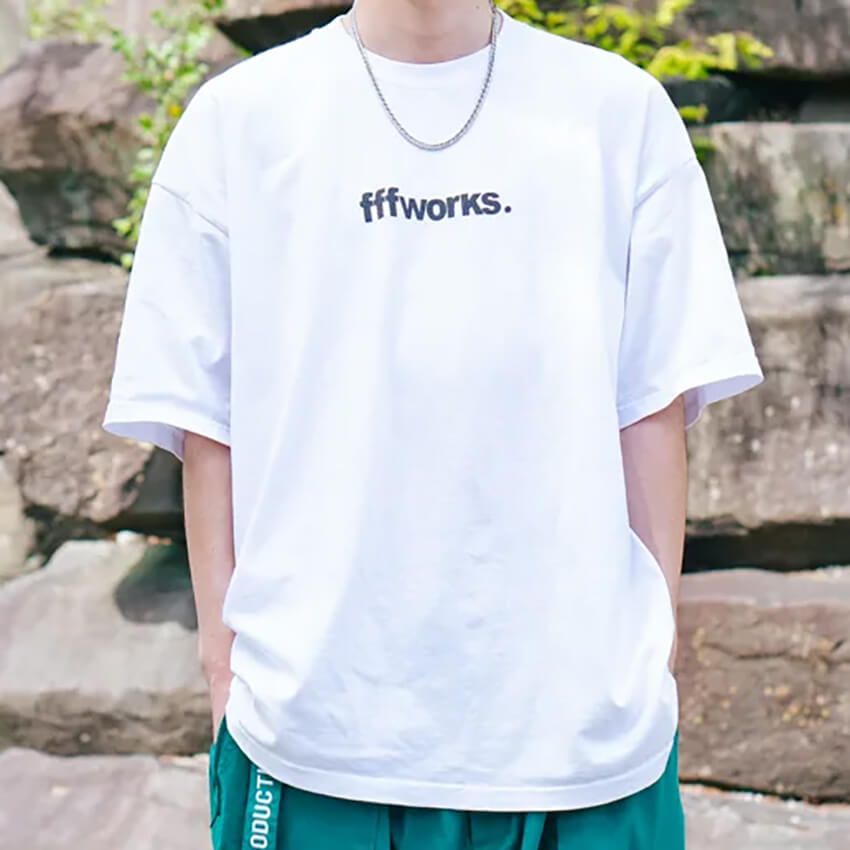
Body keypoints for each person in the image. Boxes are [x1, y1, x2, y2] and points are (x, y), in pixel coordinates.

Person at [103, 0, 764, 847]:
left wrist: (650, 652)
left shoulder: (616, 111)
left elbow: (653, 404)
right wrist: (224, 668)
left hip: (582, 738)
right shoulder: (239, 121)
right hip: (314, 731)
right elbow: (207, 424)